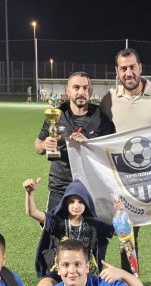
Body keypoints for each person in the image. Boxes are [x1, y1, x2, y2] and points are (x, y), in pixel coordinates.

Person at [99, 48, 151, 286]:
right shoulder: (109, 99)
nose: (129, 72)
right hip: (125, 184)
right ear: (117, 72)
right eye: (123, 68)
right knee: (127, 238)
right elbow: (99, 136)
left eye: (132, 67)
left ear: (140, 67)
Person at [33, 72, 115, 212]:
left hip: (90, 188)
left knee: (90, 227)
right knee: (54, 226)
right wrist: (45, 144)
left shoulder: (101, 118)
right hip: (59, 187)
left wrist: (88, 144)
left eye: (85, 88)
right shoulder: (56, 114)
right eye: (76, 87)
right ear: (68, 90)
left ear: (90, 90)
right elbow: (38, 147)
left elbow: (110, 153)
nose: (81, 92)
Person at [25, 177, 113, 286]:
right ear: (66, 203)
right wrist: (29, 193)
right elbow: (33, 213)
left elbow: (118, 230)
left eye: (80, 202)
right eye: (72, 201)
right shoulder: (58, 222)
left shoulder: (94, 225)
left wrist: (120, 211)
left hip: (85, 273)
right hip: (61, 271)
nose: (76, 206)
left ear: (86, 203)